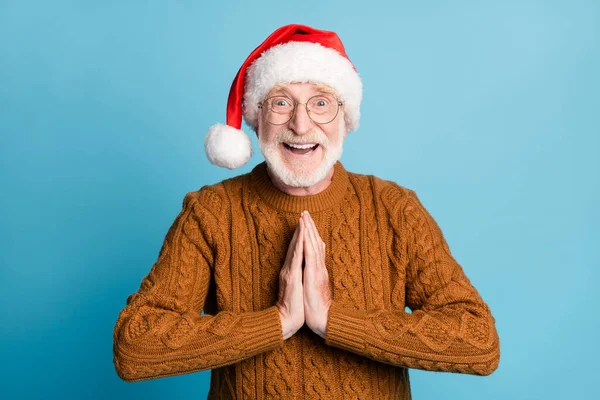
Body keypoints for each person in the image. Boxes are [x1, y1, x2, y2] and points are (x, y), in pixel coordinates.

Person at [113, 24, 500, 399]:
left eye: (320, 103)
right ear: (257, 118)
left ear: (344, 119)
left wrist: (334, 321)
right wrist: (276, 322)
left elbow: (479, 341)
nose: (300, 124)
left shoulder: (394, 209)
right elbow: (135, 346)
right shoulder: (211, 212)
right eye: (281, 102)